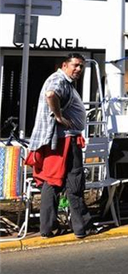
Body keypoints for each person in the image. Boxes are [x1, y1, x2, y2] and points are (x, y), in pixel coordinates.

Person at [25, 53, 93, 238]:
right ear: (65, 65)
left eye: (81, 66)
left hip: (62, 140)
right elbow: (50, 94)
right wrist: (58, 116)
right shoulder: (59, 79)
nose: (78, 69)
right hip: (63, 141)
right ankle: (77, 226)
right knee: (69, 182)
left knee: (56, 181)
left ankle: (62, 227)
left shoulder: (64, 81)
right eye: (75, 65)